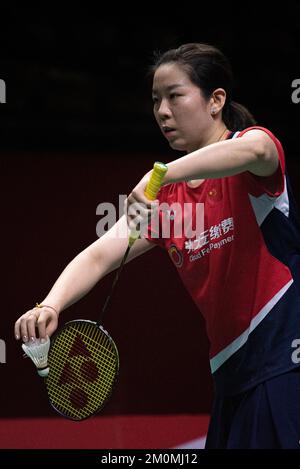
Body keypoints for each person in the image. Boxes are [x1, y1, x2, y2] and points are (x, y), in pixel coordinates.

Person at [14, 43, 300, 449]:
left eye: (175, 96)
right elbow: (100, 254)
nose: (162, 111)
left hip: (284, 364)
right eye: (155, 100)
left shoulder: (252, 152)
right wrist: (50, 304)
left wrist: (160, 174)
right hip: (231, 375)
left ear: (216, 100)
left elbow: (256, 151)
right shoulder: (168, 200)